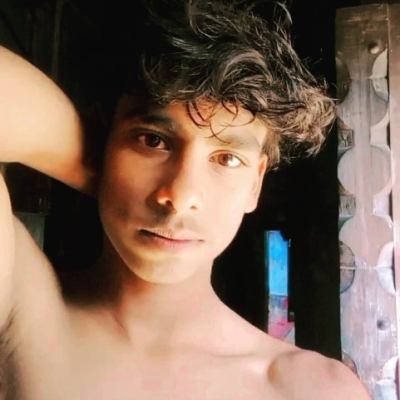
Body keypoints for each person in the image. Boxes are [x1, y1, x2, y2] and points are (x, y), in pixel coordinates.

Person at [0, 0, 371, 399]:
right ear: (104, 138)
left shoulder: (312, 390)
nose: (180, 196)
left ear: (255, 184)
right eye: (152, 140)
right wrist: (91, 165)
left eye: (227, 159)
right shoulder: (20, 306)